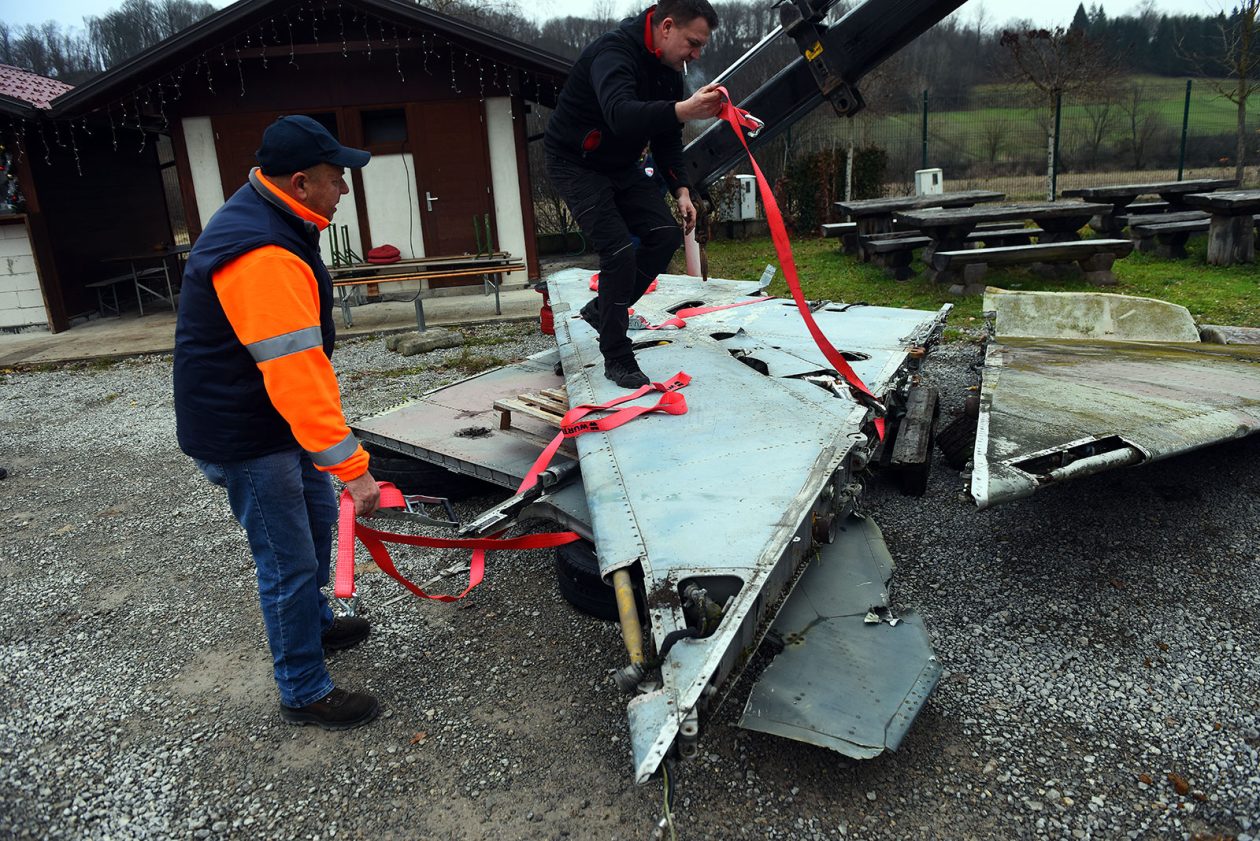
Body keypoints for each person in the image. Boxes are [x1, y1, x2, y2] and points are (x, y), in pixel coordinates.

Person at [173, 115, 382, 731]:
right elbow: (296, 373)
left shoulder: (273, 217)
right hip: (247, 434)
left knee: (316, 532)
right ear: (299, 182)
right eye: (335, 178)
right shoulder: (264, 252)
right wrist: (352, 468)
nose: (344, 189)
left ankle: (314, 627)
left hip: (271, 421)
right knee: (288, 561)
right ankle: (303, 688)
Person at [544, 0, 723, 388]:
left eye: (700, 49)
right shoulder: (613, 53)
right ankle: (617, 357)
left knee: (664, 235)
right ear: (667, 27)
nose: (695, 54)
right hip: (575, 161)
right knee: (619, 252)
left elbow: (666, 138)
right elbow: (621, 113)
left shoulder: (670, 70)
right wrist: (684, 109)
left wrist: (681, 189)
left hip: (620, 163)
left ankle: (601, 310)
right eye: (693, 43)